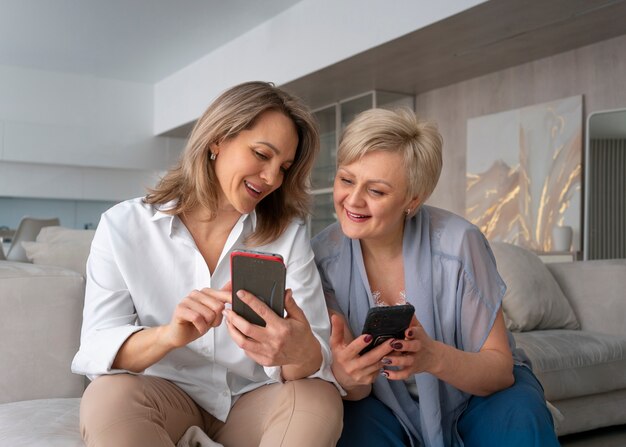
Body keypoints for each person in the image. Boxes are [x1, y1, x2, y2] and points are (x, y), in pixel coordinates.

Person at [72, 81, 342, 447]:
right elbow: (96, 345)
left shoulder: (288, 236)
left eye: (284, 167)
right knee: (107, 396)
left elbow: (315, 360)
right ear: (217, 139)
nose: (271, 178)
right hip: (164, 397)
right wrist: (168, 335)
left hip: (253, 401)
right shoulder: (123, 226)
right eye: (262, 154)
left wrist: (296, 351)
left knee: (317, 398)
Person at [312, 108, 560, 447]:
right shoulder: (323, 256)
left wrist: (432, 357)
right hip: (382, 402)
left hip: (476, 392)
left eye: (377, 191)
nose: (353, 200)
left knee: (520, 417)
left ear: (412, 200)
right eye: (346, 180)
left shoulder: (459, 243)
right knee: (348, 427)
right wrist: (345, 375)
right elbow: (353, 386)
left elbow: (499, 369)